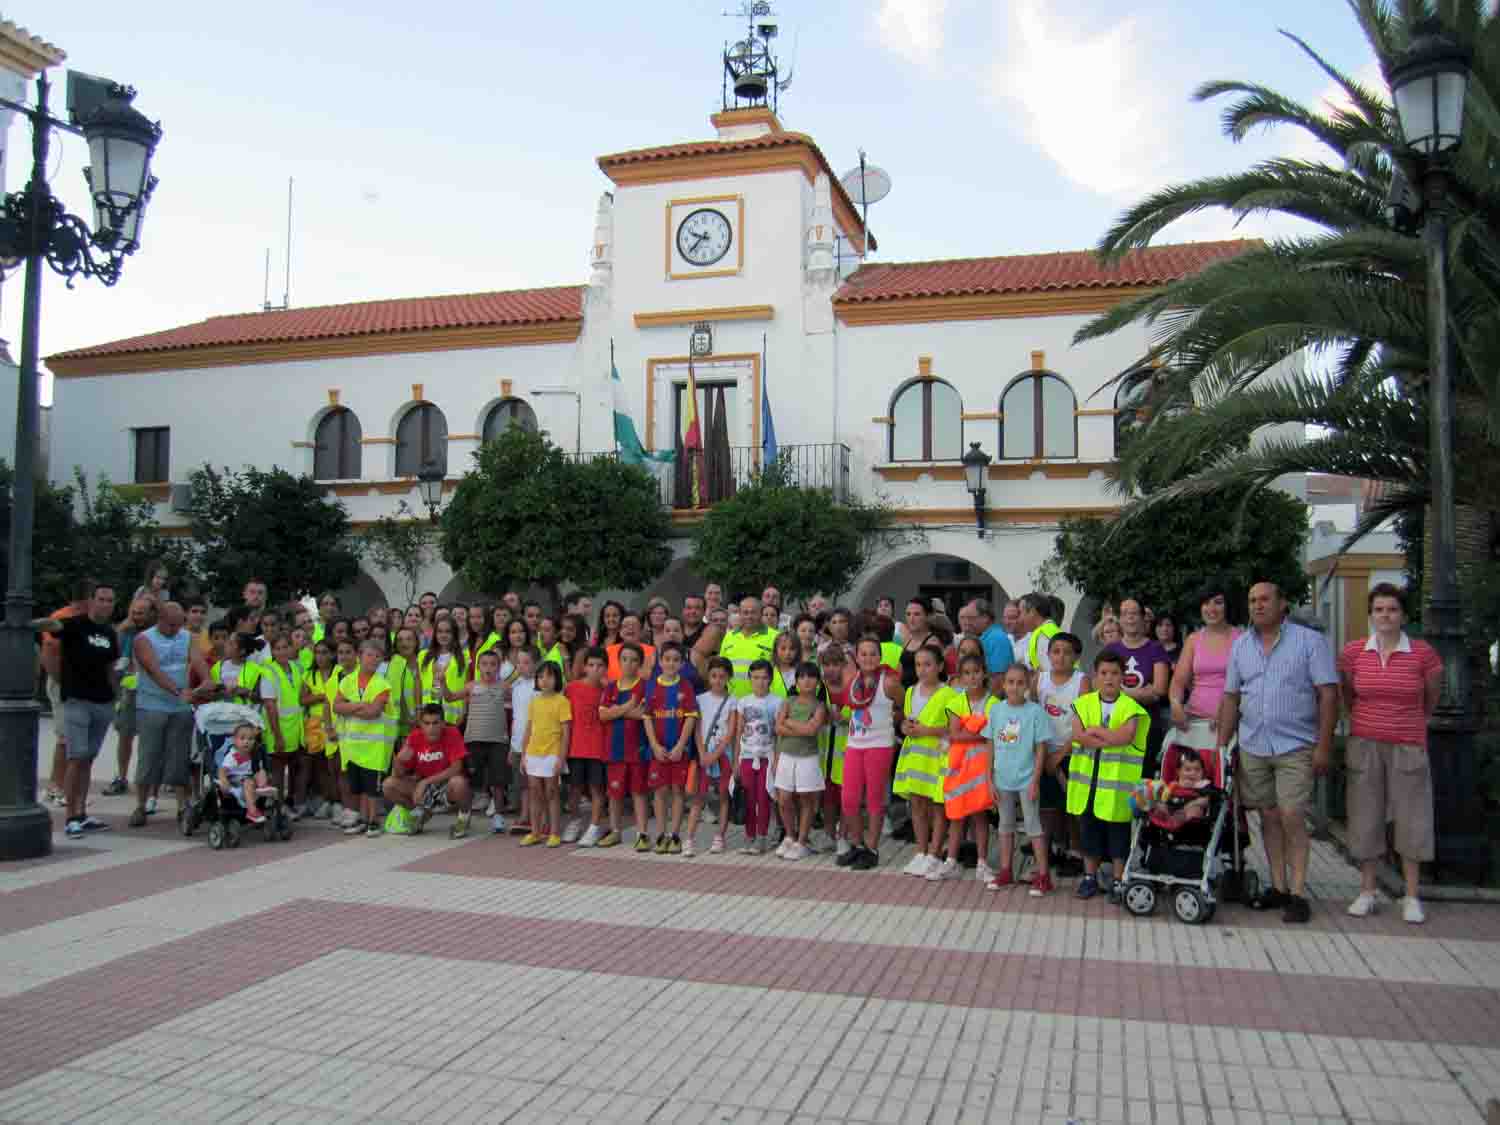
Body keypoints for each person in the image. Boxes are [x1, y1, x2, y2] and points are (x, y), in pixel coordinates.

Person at [1217, 582, 1338, 925]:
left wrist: (1324, 746)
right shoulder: (1241, 646)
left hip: (1295, 746)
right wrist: (1221, 747)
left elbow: (1328, 695)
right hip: (1254, 744)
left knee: (1292, 815)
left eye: (1264, 599)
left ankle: (1299, 893)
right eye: (1252, 600)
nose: (1257, 605)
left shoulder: (1309, 643)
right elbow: (1230, 697)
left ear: (1282, 603)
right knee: (1268, 816)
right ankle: (1278, 887)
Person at [1339, 583, 1442, 925]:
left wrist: (1414, 723)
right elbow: (1349, 696)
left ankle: (1411, 896)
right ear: (1370, 615)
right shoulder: (1353, 653)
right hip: (1365, 744)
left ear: (1403, 615)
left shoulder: (1423, 654)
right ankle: (1367, 891)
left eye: (1392, 609)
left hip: (1408, 745)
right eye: (1379, 609)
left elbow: (1431, 698)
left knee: (1413, 818)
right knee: (1366, 817)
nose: (1386, 615)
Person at [34, 583, 119, 838]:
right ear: (91, 601)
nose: (106, 604)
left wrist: (116, 696)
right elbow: (50, 628)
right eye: (101, 599)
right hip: (77, 701)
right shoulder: (74, 624)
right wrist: (25, 622)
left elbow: (111, 667)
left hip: (103, 703)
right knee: (76, 757)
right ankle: (71, 816)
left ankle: (82, 813)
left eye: (110, 600)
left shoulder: (109, 633)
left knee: (89, 758)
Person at [1069, 650, 1150, 901]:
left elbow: (1124, 737)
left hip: (1116, 790)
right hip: (1087, 786)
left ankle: (1118, 881)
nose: (1109, 679)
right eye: (1103, 673)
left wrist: (1094, 731)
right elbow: (1078, 736)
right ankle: (1089, 878)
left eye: (1114, 673)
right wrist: (1103, 736)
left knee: (1118, 836)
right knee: (1088, 833)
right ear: (1095, 676)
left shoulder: (1131, 708)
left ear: (1123, 677)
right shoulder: (1082, 704)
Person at [831, 636, 903, 870]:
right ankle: (856, 843)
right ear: (857, 657)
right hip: (854, 744)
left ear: (880, 657)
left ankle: (871, 848)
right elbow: (846, 708)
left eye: (873, 653)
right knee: (849, 799)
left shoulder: (888, 682)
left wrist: (897, 722)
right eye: (863, 654)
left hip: (879, 745)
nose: (868, 658)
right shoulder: (853, 681)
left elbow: (903, 706)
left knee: (874, 799)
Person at [985, 663, 1055, 896]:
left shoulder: (1035, 712)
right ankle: (1006, 871)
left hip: (1026, 779)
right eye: (1010, 682)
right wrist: (989, 779)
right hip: (1002, 778)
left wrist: (1035, 780)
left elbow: (1040, 749)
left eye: (1020, 682)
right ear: (1003, 684)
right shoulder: (996, 710)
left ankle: (1043, 875)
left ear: (1027, 685)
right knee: (1005, 826)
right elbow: (990, 745)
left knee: (1033, 826)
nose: (1014, 687)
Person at [895, 644, 953, 879]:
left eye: (928, 664)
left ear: (939, 666)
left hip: (937, 756)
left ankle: (934, 852)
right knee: (917, 804)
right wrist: (904, 727)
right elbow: (906, 721)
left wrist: (928, 730)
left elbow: (953, 727)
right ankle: (920, 851)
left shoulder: (949, 694)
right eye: (918, 665)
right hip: (915, 757)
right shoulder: (910, 692)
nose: (922, 670)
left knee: (937, 805)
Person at [1166, 583, 1241, 761]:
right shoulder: (1193, 640)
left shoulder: (1241, 638)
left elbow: (1245, 685)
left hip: (1230, 723)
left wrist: (1227, 713)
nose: (1211, 609)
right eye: (1206, 603)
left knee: (1225, 780)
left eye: (1218, 602)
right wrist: (1176, 705)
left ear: (1228, 606)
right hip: (1194, 722)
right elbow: (1178, 682)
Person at [1035, 632, 1089, 871]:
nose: (1060, 657)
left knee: (1071, 805)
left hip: (1071, 751)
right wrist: (1044, 753)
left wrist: (1060, 754)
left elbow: (1082, 721)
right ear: (1048, 655)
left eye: (1067, 652)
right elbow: (1033, 717)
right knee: (1048, 805)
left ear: (1076, 657)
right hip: (1044, 751)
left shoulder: (1081, 682)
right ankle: (1055, 847)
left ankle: (1076, 851)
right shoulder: (1040, 679)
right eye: (1056, 651)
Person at [942, 652, 998, 884]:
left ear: (983, 673)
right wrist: (978, 731)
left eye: (976, 672)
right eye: (966, 673)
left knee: (980, 816)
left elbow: (992, 735)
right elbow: (954, 735)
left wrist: (971, 730)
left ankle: (982, 863)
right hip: (959, 768)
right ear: (960, 677)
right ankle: (951, 861)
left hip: (983, 769)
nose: (972, 677)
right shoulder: (956, 702)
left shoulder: (994, 703)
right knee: (956, 816)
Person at [333, 639, 395, 837]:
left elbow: (374, 712)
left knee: (372, 789)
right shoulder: (347, 680)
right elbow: (336, 706)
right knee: (357, 787)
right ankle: (362, 819)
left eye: (378, 656)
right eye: (369, 655)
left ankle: (373, 821)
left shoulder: (382, 684)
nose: (374, 659)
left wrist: (349, 707)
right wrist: (359, 706)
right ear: (359, 656)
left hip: (375, 747)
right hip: (354, 745)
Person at [40, 578, 92, 807]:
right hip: (63, 683)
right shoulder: (61, 618)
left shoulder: (87, 619)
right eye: (96, 598)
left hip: (78, 684)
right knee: (65, 738)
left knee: (73, 738)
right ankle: (54, 787)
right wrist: (62, 682)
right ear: (86, 599)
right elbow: (50, 653)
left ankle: (64, 788)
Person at [1105, 598, 1171, 776]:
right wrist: (1144, 692)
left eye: (1134, 613)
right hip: (1116, 724)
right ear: (1120, 620)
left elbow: (1159, 690)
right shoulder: (1111, 649)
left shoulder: (1156, 649)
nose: (1130, 618)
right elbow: (1104, 688)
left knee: (1143, 779)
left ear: (1143, 618)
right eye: (1125, 614)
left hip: (1147, 726)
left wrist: (1123, 692)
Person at [644, 642, 698, 855]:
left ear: (682, 663)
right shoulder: (652, 686)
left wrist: (680, 745)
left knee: (677, 791)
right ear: (660, 661)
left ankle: (675, 835)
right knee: (659, 792)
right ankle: (661, 835)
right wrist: (654, 745)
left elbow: (690, 718)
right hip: (659, 751)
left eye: (676, 660)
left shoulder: (686, 687)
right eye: (667, 659)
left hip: (679, 751)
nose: (671, 663)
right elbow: (647, 718)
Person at [385, 704, 472, 836]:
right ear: (421, 723)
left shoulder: (452, 732)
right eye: (427, 723)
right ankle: (421, 814)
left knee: (459, 783)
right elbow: (397, 775)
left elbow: (456, 768)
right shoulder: (414, 737)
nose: (431, 728)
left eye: (435, 723)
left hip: (445, 785)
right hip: (424, 787)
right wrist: (398, 761)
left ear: (443, 723)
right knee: (388, 785)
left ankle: (464, 818)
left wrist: (425, 782)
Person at [771, 661, 826, 861]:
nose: (807, 681)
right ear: (796, 681)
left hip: (808, 758)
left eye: (811, 677)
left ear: (818, 682)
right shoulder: (788, 702)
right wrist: (799, 726)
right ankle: (790, 835)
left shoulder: (820, 706)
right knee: (784, 798)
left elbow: (812, 730)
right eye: (802, 677)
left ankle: (802, 842)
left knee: (806, 799)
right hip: (786, 756)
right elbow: (778, 728)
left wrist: (789, 722)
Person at [601, 643, 651, 849]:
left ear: (640, 663)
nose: (628, 664)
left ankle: (642, 834)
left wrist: (617, 711)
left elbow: (643, 714)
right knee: (614, 793)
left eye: (633, 660)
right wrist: (628, 707)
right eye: (625, 659)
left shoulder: (645, 686)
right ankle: (615, 831)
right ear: (618, 661)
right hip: (614, 748)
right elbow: (602, 715)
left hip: (637, 748)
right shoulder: (611, 687)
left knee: (639, 792)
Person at [733, 659, 783, 855]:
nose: (760, 682)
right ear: (749, 679)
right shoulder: (743, 702)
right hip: (746, 757)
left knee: (763, 797)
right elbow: (738, 733)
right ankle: (749, 836)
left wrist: (776, 761)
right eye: (755, 677)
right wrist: (736, 760)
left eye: (764, 677)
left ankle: (762, 837)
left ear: (770, 679)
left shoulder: (777, 702)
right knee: (748, 797)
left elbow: (779, 735)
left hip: (766, 756)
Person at [520, 662, 570, 847]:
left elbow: (566, 733)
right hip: (533, 753)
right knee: (534, 792)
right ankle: (535, 832)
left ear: (557, 679)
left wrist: (561, 758)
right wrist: (524, 755)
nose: (544, 680)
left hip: (552, 753)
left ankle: (554, 833)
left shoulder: (562, 701)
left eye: (549, 676)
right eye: (540, 677)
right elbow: (528, 730)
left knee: (551, 792)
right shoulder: (534, 702)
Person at [563, 647, 610, 846]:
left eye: (600, 666)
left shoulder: (608, 691)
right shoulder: (572, 688)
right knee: (574, 789)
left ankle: (594, 826)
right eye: (591, 665)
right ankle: (574, 822)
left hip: (598, 749)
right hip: (575, 748)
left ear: (606, 669)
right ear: (584, 667)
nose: (595, 669)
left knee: (596, 789)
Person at [461, 647, 511, 834]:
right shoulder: (471, 686)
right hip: (474, 739)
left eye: (493, 664)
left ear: (498, 667)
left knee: (497, 782)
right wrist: (441, 683)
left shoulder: (505, 687)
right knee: (472, 781)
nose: (488, 668)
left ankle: (498, 817)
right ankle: (464, 816)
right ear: (478, 667)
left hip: (498, 741)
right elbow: (450, 697)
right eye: (484, 664)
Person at [689, 655, 735, 855]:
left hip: (724, 756)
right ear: (708, 677)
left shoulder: (733, 701)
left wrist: (715, 754)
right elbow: (697, 729)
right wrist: (702, 753)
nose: (718, 680)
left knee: (724, 796)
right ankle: (689, 838)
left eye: (722, 676)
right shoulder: (699, 699)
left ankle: (720, 837)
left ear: (729, 678)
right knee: (699, 798)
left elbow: (731, 731)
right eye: (714, 676)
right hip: (704, 754)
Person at [108, 596, 154, 799]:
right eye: (133, 612)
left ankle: (147, 781)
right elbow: (109, 652)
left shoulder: (155, 633)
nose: (136, 617)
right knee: (125, 735)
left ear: (151, 614)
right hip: (128, 690)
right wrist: (120, 629)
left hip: (150, 690)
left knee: (150, 739)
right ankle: (121, 777)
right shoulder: (124, 631)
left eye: (141, 613)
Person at [258, 635, 306, 820]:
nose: (282, 651)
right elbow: (270, 706)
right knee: (277, 770)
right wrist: (277, 735)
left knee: (297, 767)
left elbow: (300, 696)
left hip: (295, 728)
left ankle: (290, 802)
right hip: (277, 730)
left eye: (285, 647)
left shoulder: (295, 668)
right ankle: (277, 807)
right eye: (277, 648)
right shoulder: (268, 671)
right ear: (272, 651)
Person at [1134, 747, 1219, 832]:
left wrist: (1187, 807)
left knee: (1196, 810)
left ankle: (1174, 821)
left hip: (1188, 814)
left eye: (1197, 770)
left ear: (1203, 772)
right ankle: (1152, 812)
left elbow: (1206, 800)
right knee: (1159, 804)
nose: (1193, 773)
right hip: (1170, 808)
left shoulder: (1203, 785)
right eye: (1187, 769)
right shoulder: (1174, 784)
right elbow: (1164, 796)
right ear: (1179, 772)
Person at [719, 596, 777, 696]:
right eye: (745, 612)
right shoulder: (729, 636)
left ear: (760, 614)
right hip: (731, 699)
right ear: (740, 614)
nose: (749, 616)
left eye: (753, 612)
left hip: (762, 701)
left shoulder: (775, 637)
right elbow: (721, 668)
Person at [508, 647, 538, 830]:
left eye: (526, 662)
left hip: (536, 742)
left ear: (535, 664)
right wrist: (512, 747)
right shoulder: (516, 686)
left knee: (535, 784)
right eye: (518, 662)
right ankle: (525, 815)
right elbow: (516, 717)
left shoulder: (539, 686)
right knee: (523, 784)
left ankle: (537, 817)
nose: (521, 666)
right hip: (518, 742)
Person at [217, 721, 271, 823]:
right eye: (242, 738)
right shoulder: (233, 755)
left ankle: (263, 787)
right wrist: (224, 781)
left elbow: (257, 770)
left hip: (250, 779)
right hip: (235, 782)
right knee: (248, 781)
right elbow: (222, 770)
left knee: (261, 771)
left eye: (250, 739)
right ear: (234, 741)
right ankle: (252, 811)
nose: (246, 742)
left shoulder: (254, 753)